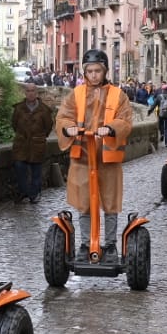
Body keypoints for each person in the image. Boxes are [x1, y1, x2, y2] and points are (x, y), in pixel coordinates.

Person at [54, 49, 134, 256]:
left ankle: (110, 245)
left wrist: (111, 128)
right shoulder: (77, 94)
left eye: (98, 70)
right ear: (84, 72)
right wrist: (67, 127)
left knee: (110, 202)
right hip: (82, 157)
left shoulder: (118, 95)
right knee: (84, 202)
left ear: (105, 71)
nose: (94, 75)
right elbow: (63, 116)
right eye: (90, 71)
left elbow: (125, 119)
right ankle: (85, 244)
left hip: (108, 158)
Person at [10, 82, 54, 203]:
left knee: (36, 171)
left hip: (37, 144)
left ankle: (34, 194)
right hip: (21, 144)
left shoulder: (44, 110)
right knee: (20, 168)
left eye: (33, 91)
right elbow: (14, 124)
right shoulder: (19, 108)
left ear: (36, 93)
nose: (30, 93)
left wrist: (39, 137)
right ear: (25, 92)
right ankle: (23, 191)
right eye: (28, 91)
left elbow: (48, 126)